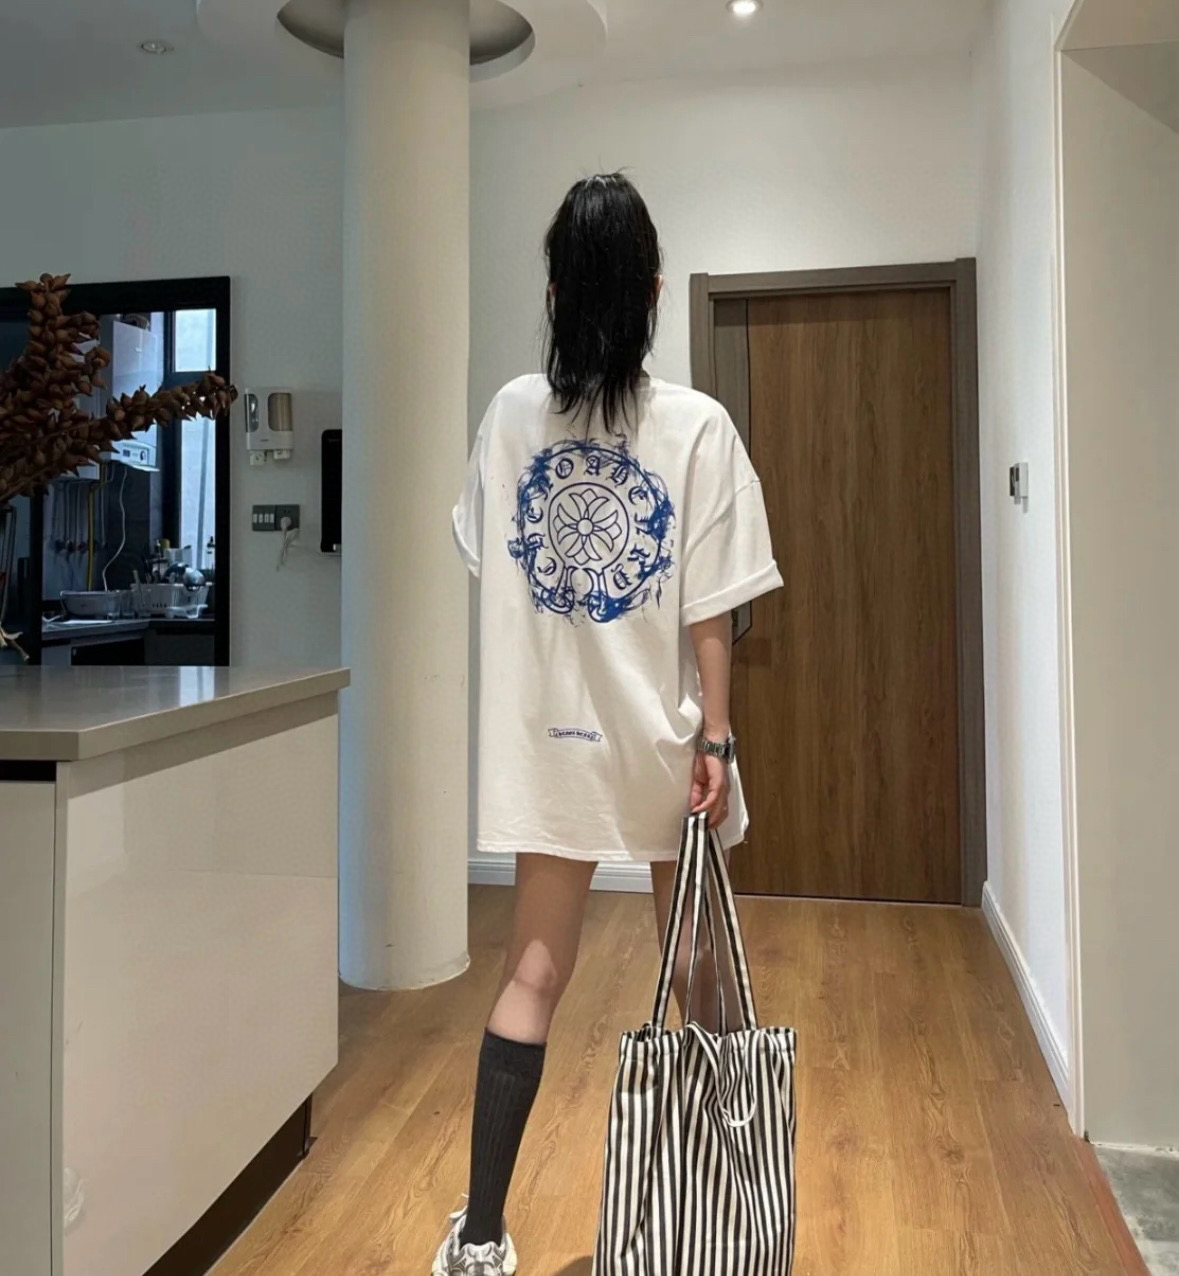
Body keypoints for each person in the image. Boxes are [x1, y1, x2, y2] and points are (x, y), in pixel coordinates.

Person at [435, 173, 782, 1276]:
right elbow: (711, 605)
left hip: (549, 745)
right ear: (653, 292)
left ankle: (480, 1236)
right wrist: (716, 736)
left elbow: (495, 558)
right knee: (700, 976)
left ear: (554, 291)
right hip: (665, 745)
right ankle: (729, 1221)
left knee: (532, 974)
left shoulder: (509, 415)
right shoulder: (696, 426)